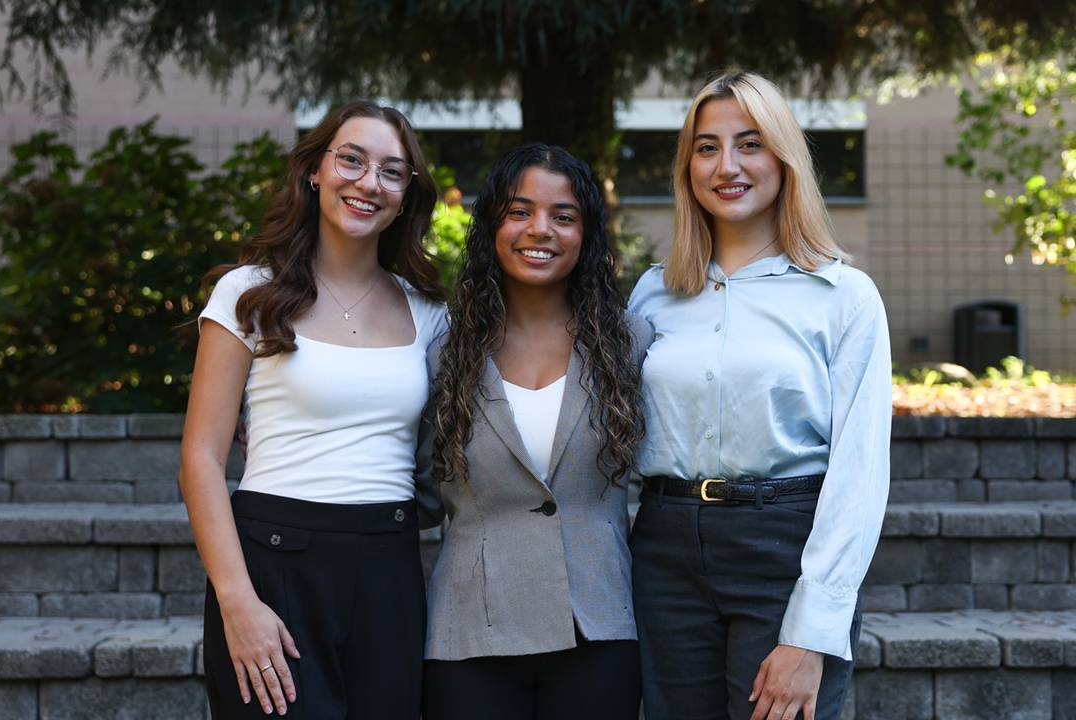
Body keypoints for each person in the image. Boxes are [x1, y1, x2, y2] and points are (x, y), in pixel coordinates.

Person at [628, 71, 891, 720]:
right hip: (665, 554)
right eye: (707, 147)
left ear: (784, 157)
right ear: (687, 166)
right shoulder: (653, 293)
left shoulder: (843, 296)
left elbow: (859, 476)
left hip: (785, 549)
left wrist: (813, 631)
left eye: (750, 144)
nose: (727, 166)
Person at [180, 101, 447, 719]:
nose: (368, 182)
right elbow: (200, 458)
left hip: (389, 570)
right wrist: (237, 601)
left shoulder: (431, 314)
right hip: (273, 568)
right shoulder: (249, 292)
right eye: (351, 160)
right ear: (314, 171)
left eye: (391, 171)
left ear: (406, 196)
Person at [417, 143, 652, 720]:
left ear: (586, 234)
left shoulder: (632, 344)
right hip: (469, 632)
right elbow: (419, 486)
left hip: (599, 626)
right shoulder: (443, 354)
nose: (540, 229)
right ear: (492, 225)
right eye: (519, 211)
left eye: (563, 216)